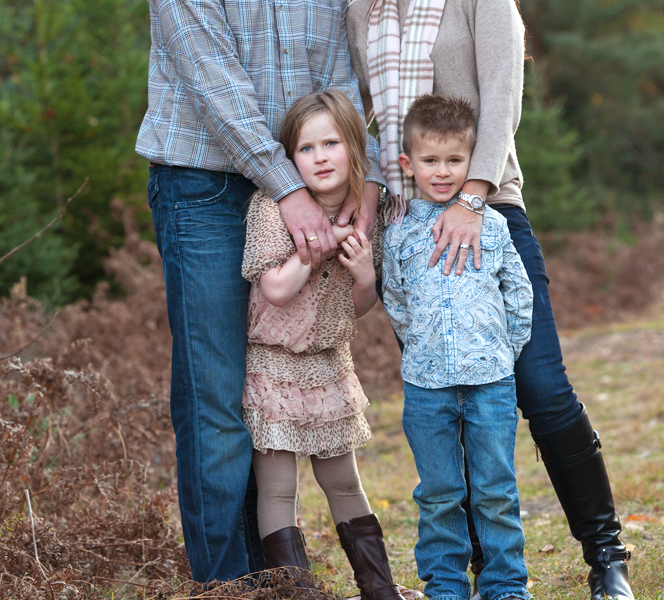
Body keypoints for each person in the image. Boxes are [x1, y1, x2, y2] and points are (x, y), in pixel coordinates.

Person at [345, 1, 635, 598]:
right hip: (411, 231)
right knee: (454, 412)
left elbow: (503, 92)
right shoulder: (362, 7)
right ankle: (483, 576)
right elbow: (371, 118)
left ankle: (606, 554)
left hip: (489, 215)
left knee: (543, 390)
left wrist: (473, 198)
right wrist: (372, 201)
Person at [135, 0, 387, 583]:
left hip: (307, 183)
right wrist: (285, 186)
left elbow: (340, 75)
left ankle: (274, 581)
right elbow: (209, 76)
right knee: (217, 398)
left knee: (269, 386)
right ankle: (229, 586)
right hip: (204, 182)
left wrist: (362, 176)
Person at [242, 89, 405, 600]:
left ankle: (380, 589)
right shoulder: (273, 208)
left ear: (355, 149)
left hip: (329, 366)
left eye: (330, 143)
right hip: (272, 365)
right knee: (278, 488)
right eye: (306, 149)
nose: (320, 157)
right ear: (290, 159)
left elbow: (357, 307)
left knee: (343, 482)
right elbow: (273, 287)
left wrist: (363, 275)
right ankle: (297, 591)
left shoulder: (365, 212)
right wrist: (318, 249)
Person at [382, 93, 533, 600]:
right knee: (440, 493)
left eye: (454, 160)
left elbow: (519, 292)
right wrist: (420, 348)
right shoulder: (399, 234)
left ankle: (506, 585)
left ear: (473, 162)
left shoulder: (492, 226)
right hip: (427, 388)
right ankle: (445, 586)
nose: (442, 171)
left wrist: (501, 353)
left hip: (490, 382)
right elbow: (396, 301)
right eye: (430, 160)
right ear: (409, 164)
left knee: (494, 491)